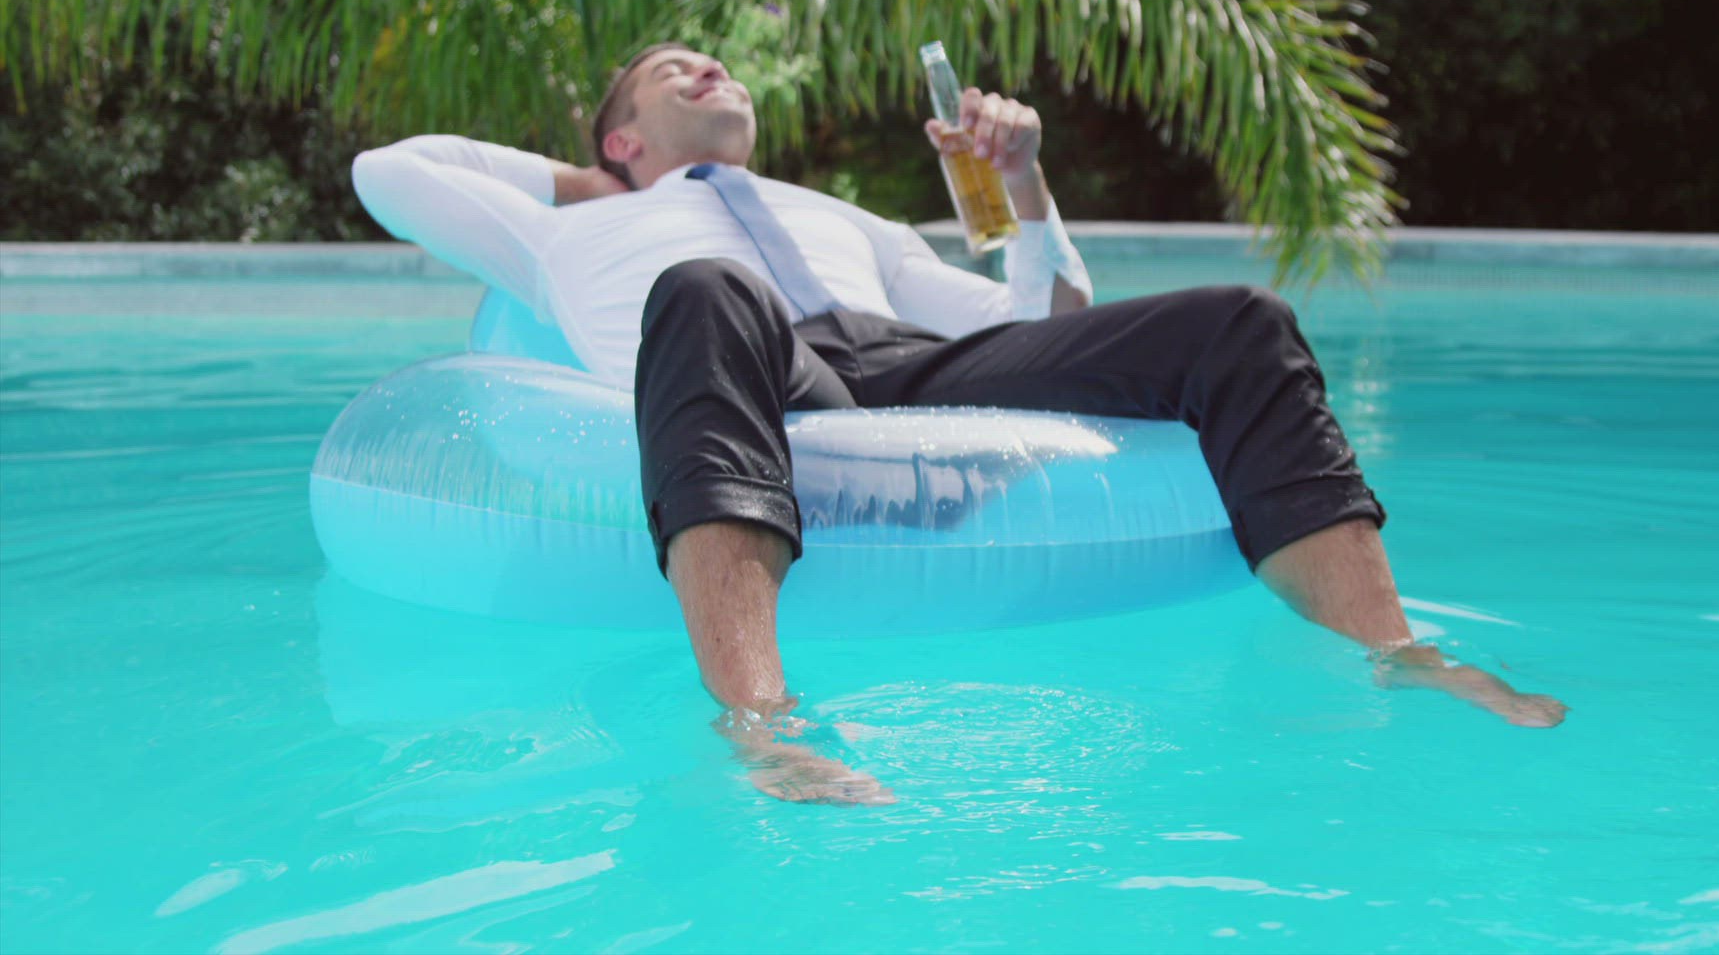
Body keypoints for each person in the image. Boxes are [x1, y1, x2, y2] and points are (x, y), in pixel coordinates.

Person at [351, 44, 1567, 804]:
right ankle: (761, 725)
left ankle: (1394, 649)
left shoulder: (842, 217)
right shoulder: (559, 228)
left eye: (715, 62)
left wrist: (1025, 183)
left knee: (1238, 322)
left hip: (905, 369)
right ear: (618, 136)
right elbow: (388, 171)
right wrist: (605, 183)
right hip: (748, 361)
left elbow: (1031, 319)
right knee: (704, 286)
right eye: (674, 72)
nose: (709, 68)